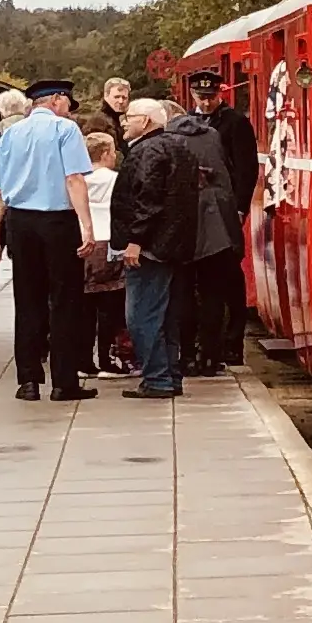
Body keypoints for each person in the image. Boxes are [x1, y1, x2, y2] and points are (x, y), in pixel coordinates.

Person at [0, 76, 96, 402]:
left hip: (20, 223)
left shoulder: (11, 134)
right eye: (67, 105)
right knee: (64, 301)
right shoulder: (66, 131)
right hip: (58, 222)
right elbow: (74, 179)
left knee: (28, 299)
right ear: (58, 100)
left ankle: (29, 380)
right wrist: (87, 227)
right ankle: (64, 381)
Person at [110, 99, 195, 398]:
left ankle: (157, 379)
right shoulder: (180, 147)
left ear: (145, 122)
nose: (123, 122)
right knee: (168, 315)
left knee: (141, 316)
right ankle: (170, 375)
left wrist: (135, 240)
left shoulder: (146, 151)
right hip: (175, 246)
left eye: (128, 117)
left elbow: (147, 200)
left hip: (149, 248)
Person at [188, 68, 261, 369]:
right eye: (201, 97)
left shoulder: (235, 123)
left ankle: (232, 342)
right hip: (198, 209)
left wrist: (240, 207)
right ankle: (207, 340)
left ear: (221, 93)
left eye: (211, 97)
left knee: (230, 276)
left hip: (226, 206)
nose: (206, 103)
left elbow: (246, 169)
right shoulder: (188, 124)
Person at [167, 90, 244, 375]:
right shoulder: (212, 135)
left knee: (184, 291)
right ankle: (211, 356)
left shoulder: (169, 140)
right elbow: (226, 178)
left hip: (183, 226)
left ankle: (186, 355)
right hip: (216, 226)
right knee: (214, 293)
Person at [75, 127, 130, 375]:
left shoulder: (78, 179)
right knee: (109, 305)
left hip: (84, 241)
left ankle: (84, 360)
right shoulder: (116, 179)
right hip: (109, 243)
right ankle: (107, 358)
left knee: (84, 306)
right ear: (107, 153)